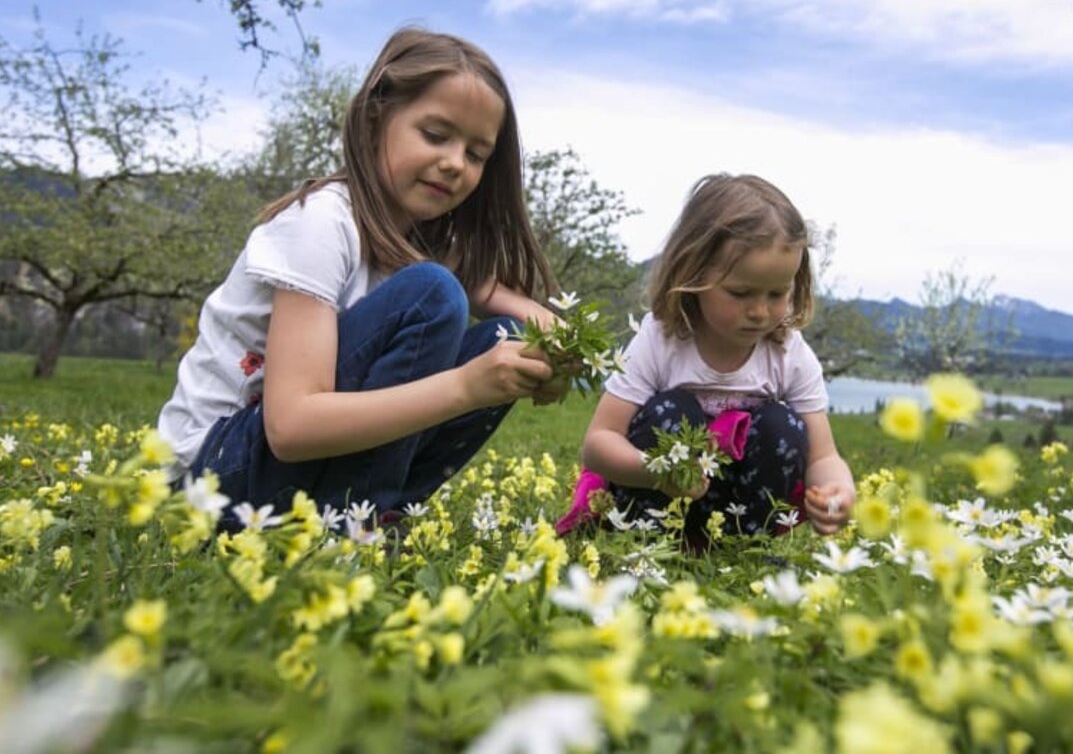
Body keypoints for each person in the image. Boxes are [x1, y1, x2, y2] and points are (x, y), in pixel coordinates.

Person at [158, 27, 565, 521]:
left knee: (504, 335)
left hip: (278, 481)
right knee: (433, 293)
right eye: (436, 135)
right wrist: (467, 387)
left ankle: (372, 510)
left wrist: (547, 338)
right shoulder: (322, 224)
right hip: (212, 480)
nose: (455, 163)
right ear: (375, 119)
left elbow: (484, 287)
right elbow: (289, 429)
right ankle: (357, 528)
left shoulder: (418, 242)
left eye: (476, 154)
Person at [578, 173, 855, 539]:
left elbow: (822, 456)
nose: (759, 311)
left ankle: (750, 548)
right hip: (659, 494)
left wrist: (838, 490)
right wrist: (659, 471)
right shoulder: (662, 339)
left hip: (735, 514)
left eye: (777, 294)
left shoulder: (788, 352)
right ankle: (648, 542)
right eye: (740, 292)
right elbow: (598, 444)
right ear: (693, 274)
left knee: (781, 425)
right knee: (673, 410)